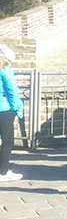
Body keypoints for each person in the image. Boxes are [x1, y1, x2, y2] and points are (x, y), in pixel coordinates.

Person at [0, 43, 24, 182]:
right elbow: (12, 91)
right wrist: (16, 108)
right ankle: (2, 171)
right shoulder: (5, 69)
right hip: (5, 109)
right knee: (8, 141)